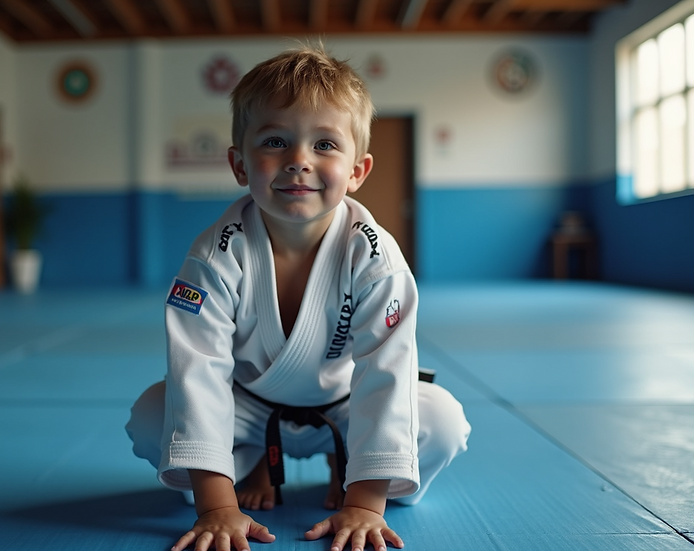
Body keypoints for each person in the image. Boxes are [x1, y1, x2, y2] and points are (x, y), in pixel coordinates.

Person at [126, 43, 470, 551]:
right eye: (274, 141)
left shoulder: (375, 256)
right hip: (247, 410)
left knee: (442, 420)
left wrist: (364, 502)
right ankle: (244, 473)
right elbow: (197, 371)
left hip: (346, 408)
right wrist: (218, 507)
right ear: (240, 164)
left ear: (358, 170)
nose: (298, 162)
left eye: (325, 145)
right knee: (152, 414)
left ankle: (348, 463)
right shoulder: (214, 255)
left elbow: (387, 371)